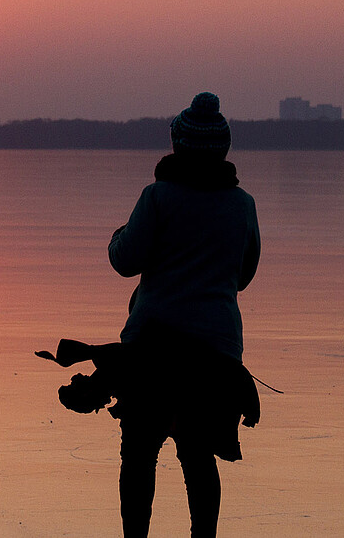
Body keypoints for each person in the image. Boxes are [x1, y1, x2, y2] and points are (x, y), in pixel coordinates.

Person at [107, 92, 262, 538]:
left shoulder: (157, 198)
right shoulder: (241, 205)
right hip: (215, 349)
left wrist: (120, 233)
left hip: (151, 345)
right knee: (198, 455)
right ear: (223, 150)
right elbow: (243, 276)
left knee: (139, 451)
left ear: (178, 146)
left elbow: (124, 260)